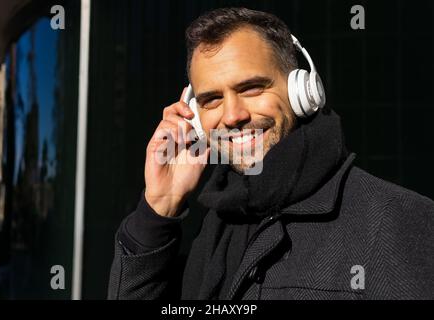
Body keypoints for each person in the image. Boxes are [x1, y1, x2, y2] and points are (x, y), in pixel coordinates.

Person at [108, 7, 434, 300]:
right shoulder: (211, 230)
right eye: (212, 100)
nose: (233, 115)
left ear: (303, 90)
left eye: (251, 88)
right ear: (195, 116)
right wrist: (159, 209)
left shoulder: (397, 220)